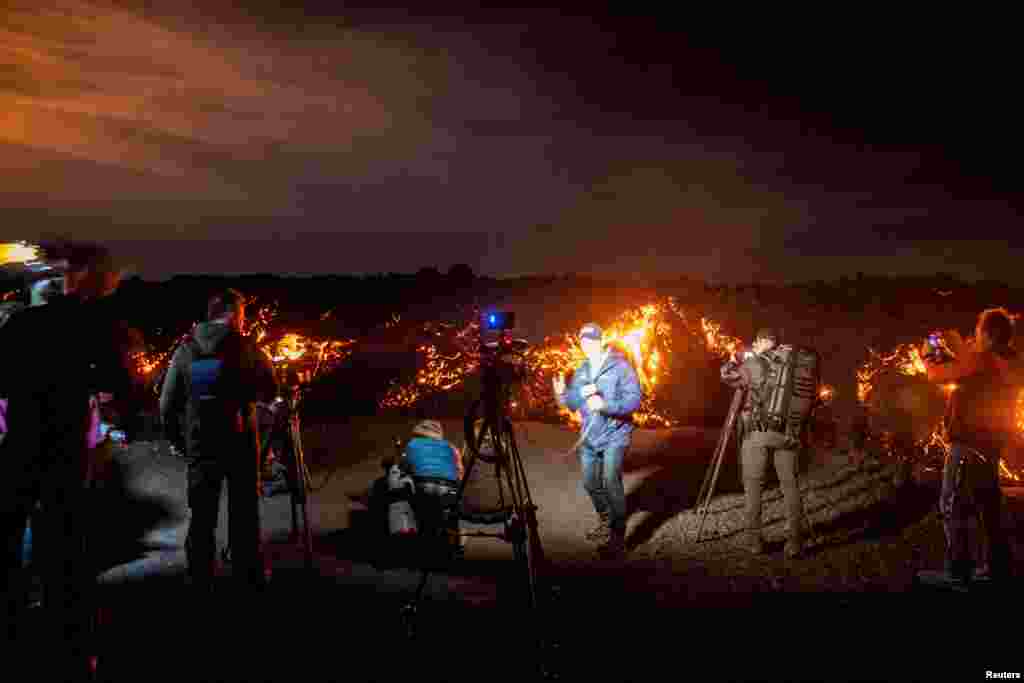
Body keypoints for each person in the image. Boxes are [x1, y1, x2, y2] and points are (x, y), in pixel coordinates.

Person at [0, 242, 140, 678]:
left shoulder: (20, 324)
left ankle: (13, 627)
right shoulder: (95, 325)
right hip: (64, 448)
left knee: (12, 536)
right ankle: (72, 645)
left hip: (21, 442)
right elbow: (123, 384)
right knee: (65, 544)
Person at [160, 289, 277, 593]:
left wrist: (181, 442)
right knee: (244, 511)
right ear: (236, 315)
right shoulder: (248, 346)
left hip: (201, 443)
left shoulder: (185, 350)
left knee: (201, 513)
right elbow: (270, 388)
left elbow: (167, 404)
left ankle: (200, 576)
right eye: (242, 315)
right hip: (240, 442)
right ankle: (248, 573)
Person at [918, 308, 1019, 588]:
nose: (974, 336)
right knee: (990, 506)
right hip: (991, 443)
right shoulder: (1009, 360)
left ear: (987, 334)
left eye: (977, 331)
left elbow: (938, 376)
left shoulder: (983, 360)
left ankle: (957, 572)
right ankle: (1000, 567)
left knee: (952, 505)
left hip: (968, 443)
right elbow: (969, 373)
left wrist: (928, 355)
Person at [553, 323, 643, 559]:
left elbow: (634, 400)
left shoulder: (620, 366)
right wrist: (562, 394)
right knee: (590, 483)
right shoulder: (582, 370)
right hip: (590, 437)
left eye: (591, 340)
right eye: (583, 340)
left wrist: (605, 405)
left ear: (601, 341)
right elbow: (572, 403)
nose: (586, 344)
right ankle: (605, 518)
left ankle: (617, 538)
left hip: (615, 434)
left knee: (611, 480)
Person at [720, 327, 806, 558]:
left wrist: (734, 359)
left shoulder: (754, 364)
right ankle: (795, 541)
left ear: (759, 342)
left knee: (754, 486)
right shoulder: (796, 365)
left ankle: (754, 541)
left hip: (757, 434)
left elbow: (727, 375)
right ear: (776, 343)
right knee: (790, 485)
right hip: (788, 435)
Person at [402, 419, 464, 557]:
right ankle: (456, 544)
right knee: (451, 513)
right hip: (448, 488)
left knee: (418, 508)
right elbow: (460, 473)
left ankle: (416, 543)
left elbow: (404, 468)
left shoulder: (412, 445)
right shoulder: (451, 447)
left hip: (423, 486)